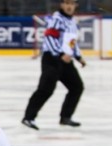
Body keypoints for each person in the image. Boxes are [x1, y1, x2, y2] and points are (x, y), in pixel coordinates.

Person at [22, 0, 86, 130]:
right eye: (67, 3)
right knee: (45, 90)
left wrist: (78, 56)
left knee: (77, 87)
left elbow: (72, 41)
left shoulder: (72, 21)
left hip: (66, 61)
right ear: (62, 5)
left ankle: (65, 117)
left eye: (72, 3)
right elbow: (49, 37)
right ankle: (28, 118)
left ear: (75, 5)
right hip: (52, 59)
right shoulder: (56, 19)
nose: (69, 6)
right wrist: (62, 54)